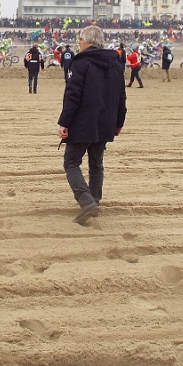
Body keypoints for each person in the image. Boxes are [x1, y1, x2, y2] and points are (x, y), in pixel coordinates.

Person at [57, 25, 127, 225]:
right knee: (96, 164)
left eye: (80, 39)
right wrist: (119, 122)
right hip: (105, 123)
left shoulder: (81, 63)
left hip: (83, 122)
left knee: (71, 162)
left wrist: (64, 122)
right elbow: (121, 97)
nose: (78, 42)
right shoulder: (115, 64)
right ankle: (94, 200)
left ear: (88, 41)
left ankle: (87, 201)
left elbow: (73, 96)